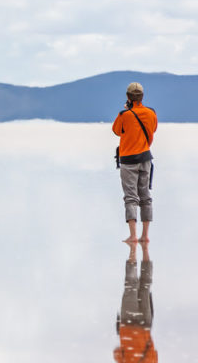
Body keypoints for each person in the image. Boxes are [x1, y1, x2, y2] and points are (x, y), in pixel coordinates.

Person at [112, 82, 157, 243]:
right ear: (142, 96)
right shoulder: (151, 113)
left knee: (131, 197)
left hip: (129, 160)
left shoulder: (124, 115)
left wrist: (127, 109)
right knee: (145, 196)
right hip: (146, 158)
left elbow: (116, 131)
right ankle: (145, 236)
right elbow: (153, 129)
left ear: (128, 97)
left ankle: (133, 236)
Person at [114, 241, 156, 362]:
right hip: (128, 324)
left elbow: (154, 351)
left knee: (145, 286)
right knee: (131, 285)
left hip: (145, 325)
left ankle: (145, 249)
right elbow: (117, 352)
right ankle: (133, 249)